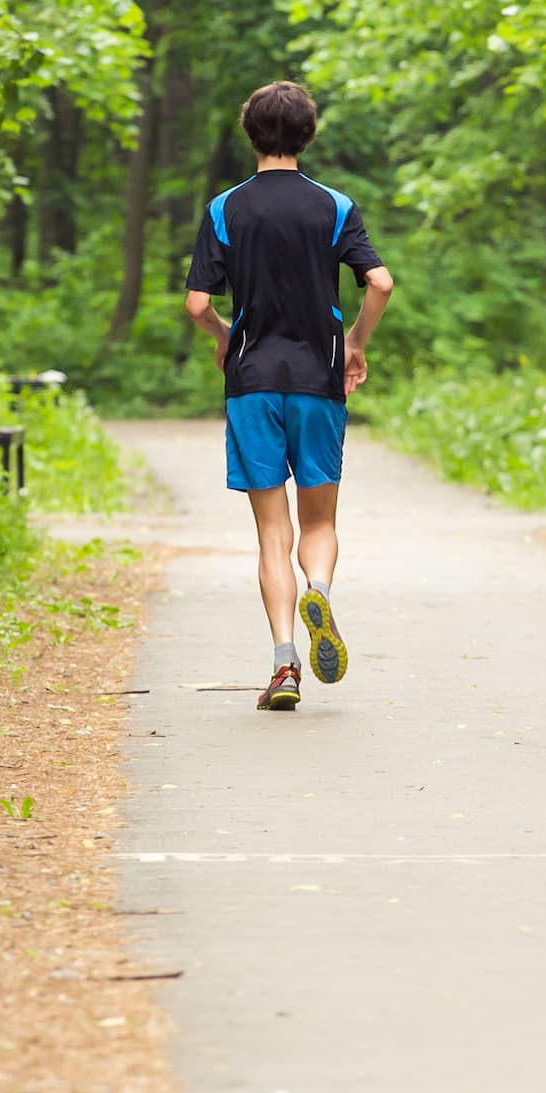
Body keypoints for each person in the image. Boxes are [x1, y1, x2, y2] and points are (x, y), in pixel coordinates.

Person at [184, 80, 393, 712]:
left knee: (271, 531)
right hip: (318, 378)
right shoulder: (334, 205)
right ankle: (320, 590)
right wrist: (353, 342)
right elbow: (380, 283)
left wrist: (224, 336)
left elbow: (197, 304)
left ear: (250, 132)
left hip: (251, 381)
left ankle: (283, 664)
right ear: (309, 133)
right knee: (320, 519)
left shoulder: (226, 207)